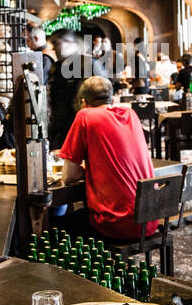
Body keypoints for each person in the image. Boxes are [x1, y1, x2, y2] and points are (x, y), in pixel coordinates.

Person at [57, 75, 158, 241]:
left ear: (84, 102)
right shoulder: (130, 114)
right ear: (112, 98)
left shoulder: (85, 116)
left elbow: (68, 176)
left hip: (117, 223)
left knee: (55, 226)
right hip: (150, 219)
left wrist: (88, 170)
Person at [48, 30, 83, 148]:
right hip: (59, 128)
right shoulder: (58, 67)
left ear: (69, 43)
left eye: (57, 43)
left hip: (76, 127)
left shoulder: (84, 65)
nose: (54, 48)